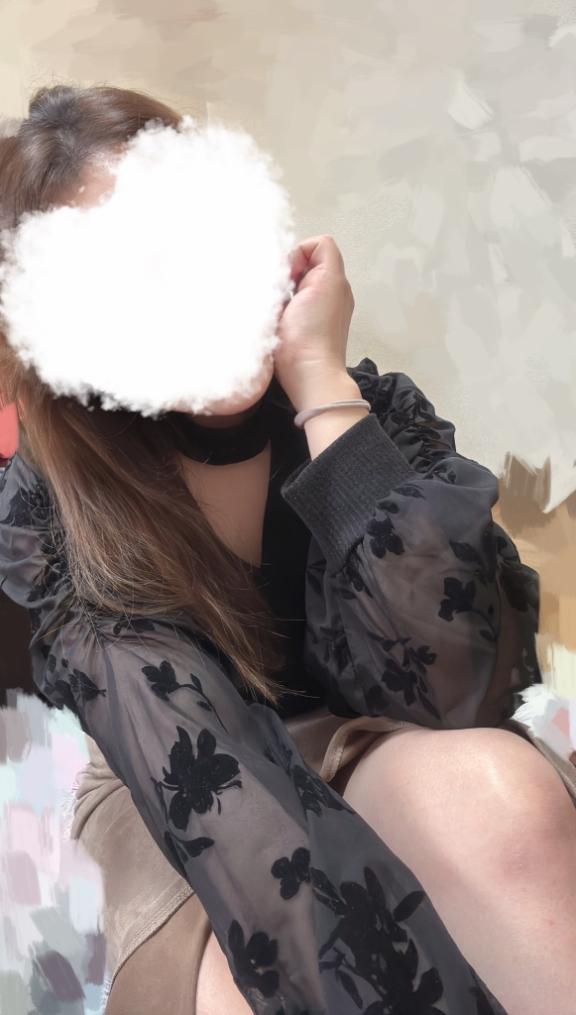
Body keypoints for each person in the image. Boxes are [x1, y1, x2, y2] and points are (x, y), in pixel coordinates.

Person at [0, 84, 575, 1015]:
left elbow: (449, 697)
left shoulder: (364, 411)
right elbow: (239, 828)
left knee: (500, 799)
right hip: (179, 792)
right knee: (255, 988)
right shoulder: (56, 509)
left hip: (352, 731)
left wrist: (319, 381)